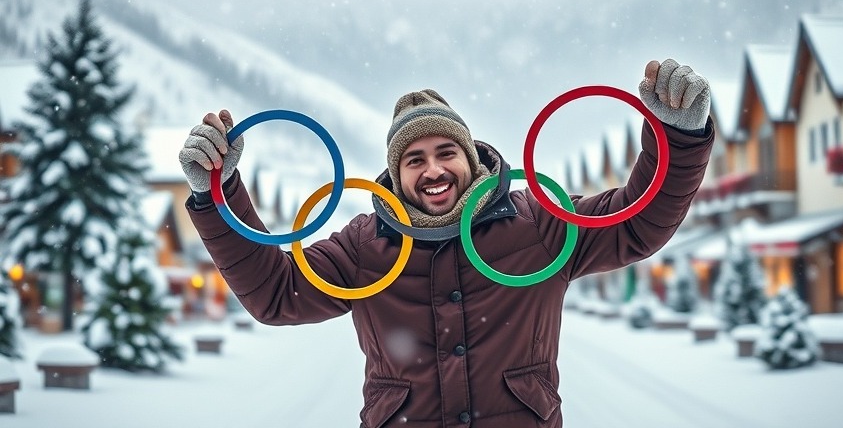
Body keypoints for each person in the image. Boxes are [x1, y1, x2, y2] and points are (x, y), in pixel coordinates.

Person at [179, 58, 715, 428]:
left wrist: (679, 137)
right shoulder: (366, 247)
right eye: (414, 159)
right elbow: (277, 295)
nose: (432, 169)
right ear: (395, 174)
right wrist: (217, 194)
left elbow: (636, 222)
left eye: (445, 152)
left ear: (471, 159)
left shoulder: (540, 224)